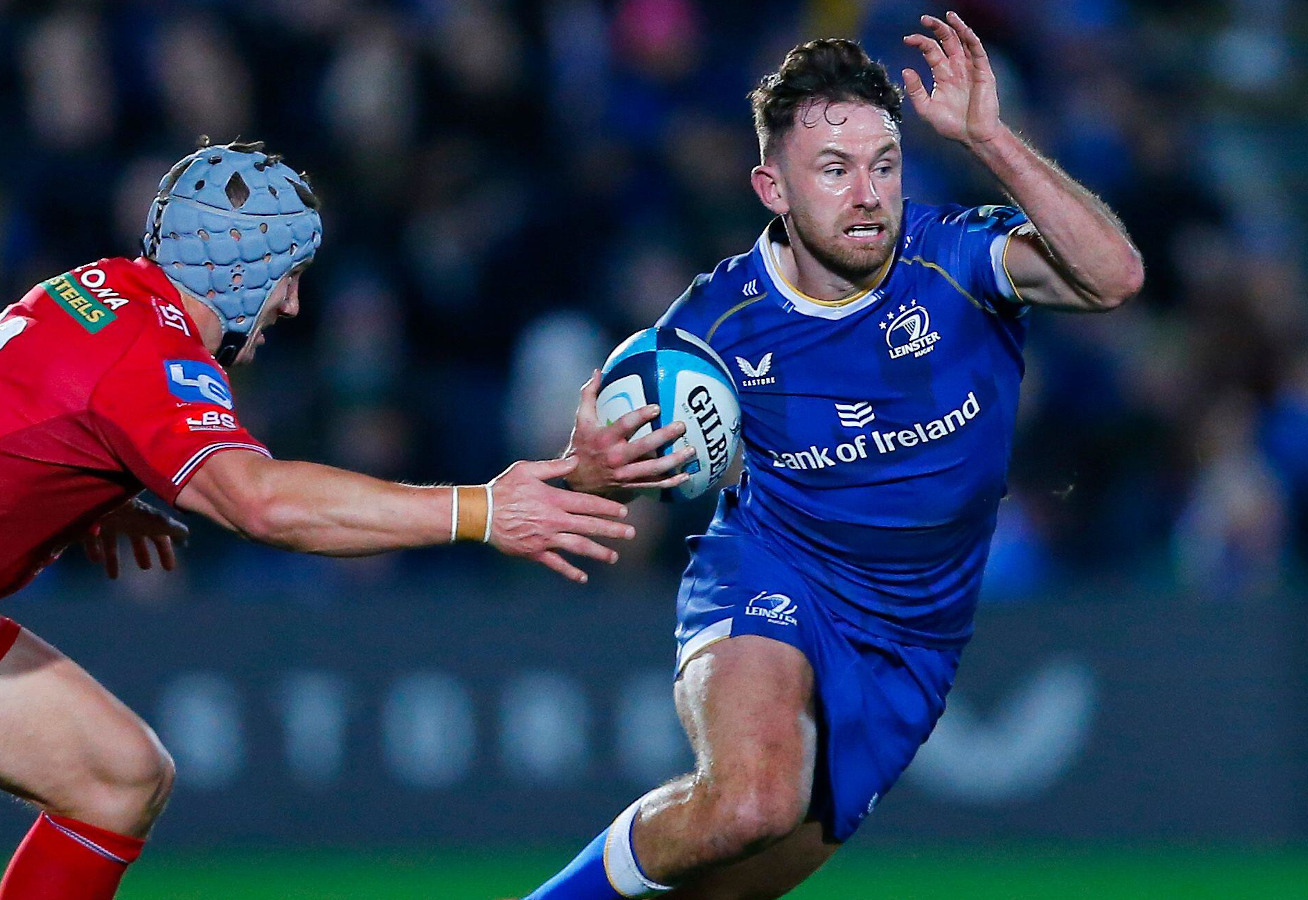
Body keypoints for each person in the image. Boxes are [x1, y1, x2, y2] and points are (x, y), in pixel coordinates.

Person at [529, 13, 1143, 900]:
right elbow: (601, 469)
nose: (867, 193)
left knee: (726, 882)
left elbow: (1114, 277)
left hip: (916, 635)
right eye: (834, 168)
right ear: (771, 188)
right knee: (748, 806)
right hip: (774, 571)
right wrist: (591, 472)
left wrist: (989, 137)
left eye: (883, 165)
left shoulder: (954, 256)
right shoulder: (711, 329)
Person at [0, 140, 685, 900]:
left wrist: (93, 491)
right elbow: (263, 503)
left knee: (116, 775)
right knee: (114, 775)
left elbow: (38, 405)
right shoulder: (152, 353)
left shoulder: (95, 291)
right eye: (287, 278)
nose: (292, 305)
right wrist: (481, 509)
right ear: (238, 271)